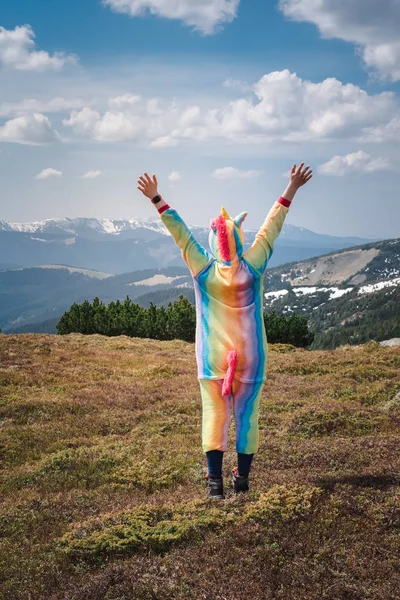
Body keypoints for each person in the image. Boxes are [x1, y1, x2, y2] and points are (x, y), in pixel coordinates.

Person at [137, 163, 312, 500]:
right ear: (238, 239)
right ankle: (242, 480)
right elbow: (270, 228)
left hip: (212, 359)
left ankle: (214, 484)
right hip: (252, 359)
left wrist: (156, 198)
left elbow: (181, 235)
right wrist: (291, 188)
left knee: (215, 415)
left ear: (214, 243)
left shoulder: (203, 269)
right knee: (248, 420)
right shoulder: (254, 265)